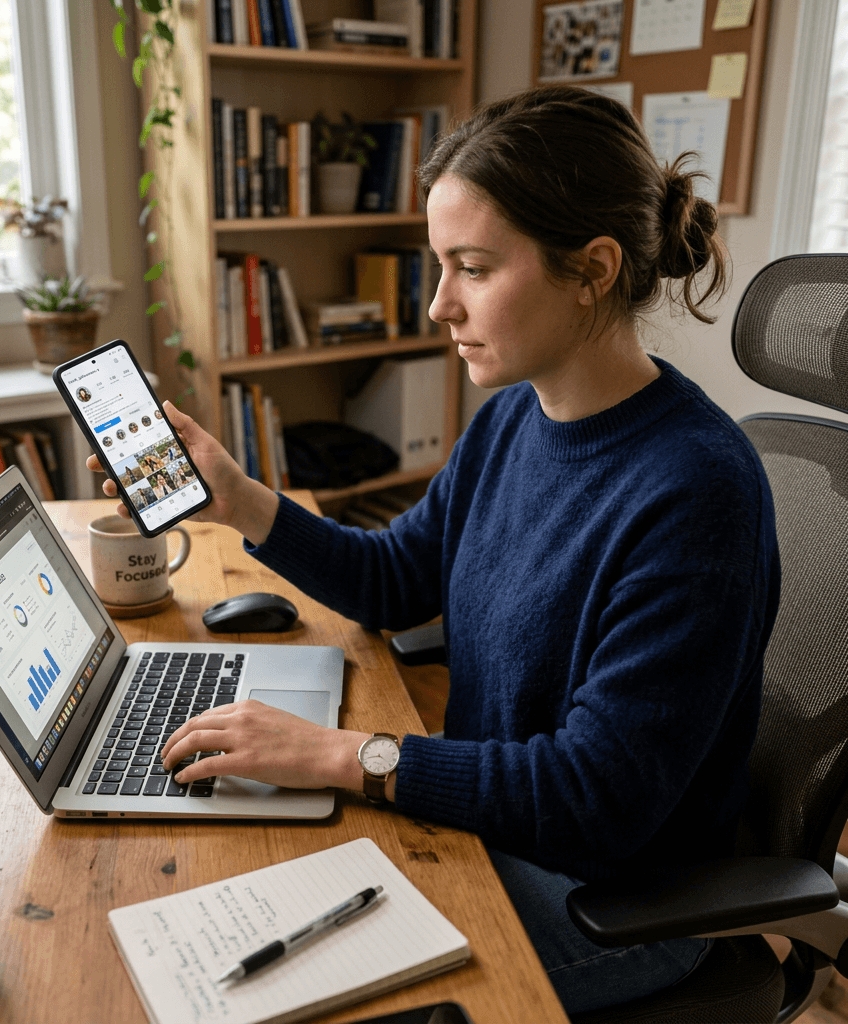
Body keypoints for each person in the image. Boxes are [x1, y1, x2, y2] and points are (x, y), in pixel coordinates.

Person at [88, 86, 779, 1014]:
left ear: (594, 268)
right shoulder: (510, 422)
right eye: (438, 265)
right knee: (220, 868)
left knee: (246, 973)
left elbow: (594, 799)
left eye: (474, 267)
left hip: (613, 899)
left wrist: (343, 756)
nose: (440, 305)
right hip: (489, 827)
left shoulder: (697, 492)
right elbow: (395, 578)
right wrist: (236, 498)